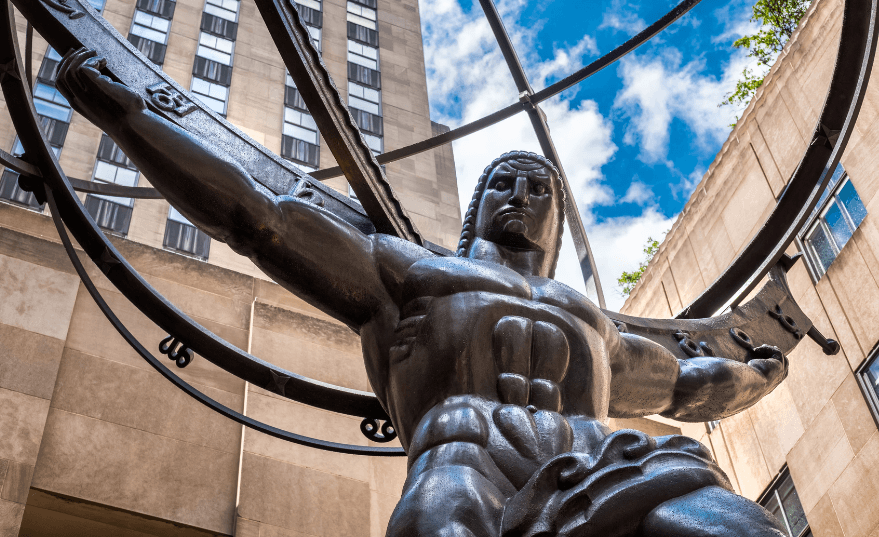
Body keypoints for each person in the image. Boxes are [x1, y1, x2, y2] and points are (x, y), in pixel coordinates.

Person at [56, 48, 790, 537]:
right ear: (474, 210)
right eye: (502, 183)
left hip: (603, 451)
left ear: (557, 221)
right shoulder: (409, 271)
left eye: (539, 190)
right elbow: (259, 217)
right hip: (466, 447)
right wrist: (128, 118)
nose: (520, 197)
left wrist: (758, 374)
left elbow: (686, 387)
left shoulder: (588, 321)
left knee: (735, 526)